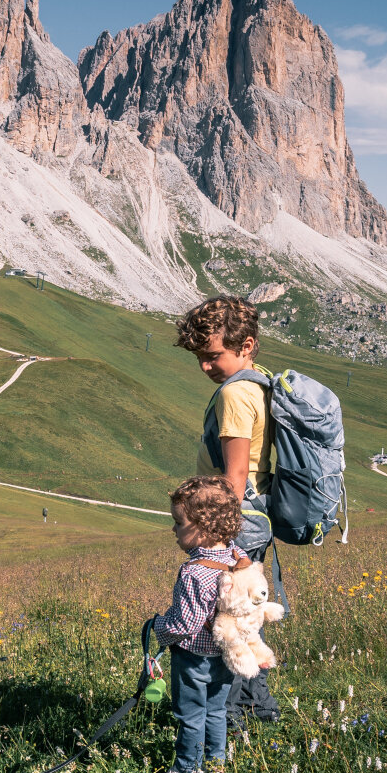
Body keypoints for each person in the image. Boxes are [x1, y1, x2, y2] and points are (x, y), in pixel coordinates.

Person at [175, 296, 284, 726]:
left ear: (247, 345)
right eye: (199, 357)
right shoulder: (258, 382)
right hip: (255, 519)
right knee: (242, 624)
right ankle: (256, 715)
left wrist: (214, 538)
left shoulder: (236, 395)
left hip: (235, 522)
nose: (205, 365)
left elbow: (235, 476)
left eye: (213, 355)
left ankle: (231, 720)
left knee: (224, 626)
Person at [150, 476, 245, 773]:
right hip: (227, 653)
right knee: (216, 711)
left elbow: (184, 625)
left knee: (190, 715)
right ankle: (216, 765)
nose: (174, 529)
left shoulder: (193, 572)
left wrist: (157, 626)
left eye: (179, 522)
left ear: (203, 527)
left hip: (194, 659)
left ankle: (186, 770)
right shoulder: (237, 557)